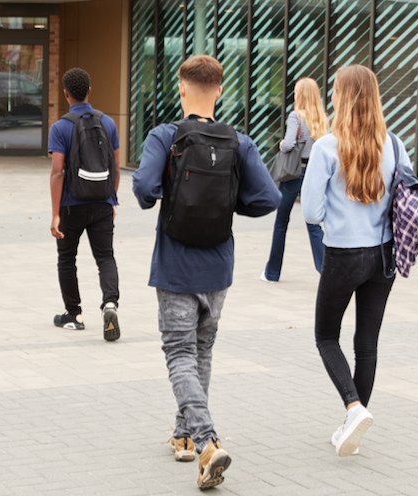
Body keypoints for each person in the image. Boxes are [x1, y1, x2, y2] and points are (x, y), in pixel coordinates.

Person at [133, 55, 281, 489]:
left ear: (181, 88)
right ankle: (183, 437)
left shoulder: (165, 135)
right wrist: (228, 204)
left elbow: (143, 188)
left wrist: (163, 199)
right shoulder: (241, 142)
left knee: (179, 353)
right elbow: (268, 198)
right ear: (220, 90)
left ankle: (206, 441)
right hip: (218, 266)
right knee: (202, 352)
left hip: (176, 265)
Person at [300, 65, 403, 457]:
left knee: (326, 336)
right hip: (385, 253)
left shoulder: (328, 146)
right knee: (367, 343)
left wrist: (336, 219)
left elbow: (310, 211)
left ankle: (353, 408)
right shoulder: (393, 144)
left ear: (340, 98)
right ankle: (352, 424)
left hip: (344, 253)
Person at [48, 68, 122, 341]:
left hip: (71, 204)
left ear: (66, 94)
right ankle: (110, 303)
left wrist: (55, 214)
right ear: (90, 90)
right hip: (102, 202)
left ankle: (73, 314)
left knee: (67, 258)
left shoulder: (60, 127)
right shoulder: (109, 124)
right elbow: (115, 166)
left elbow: (57, 171)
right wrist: (110, 199)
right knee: (105, 257)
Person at [263, 77, 326, 283]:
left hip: (293, 175)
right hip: (313, 174)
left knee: (281, 222)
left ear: (299, 95)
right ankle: (325, 270)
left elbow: (289, 144)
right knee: (313, 223)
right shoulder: (321, 118)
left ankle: (272, 273)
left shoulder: (295, 116)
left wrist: (281, 144)